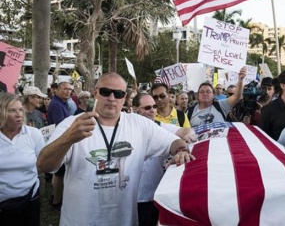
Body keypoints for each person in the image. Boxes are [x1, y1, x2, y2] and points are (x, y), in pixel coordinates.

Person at [37, 72, 195, 226]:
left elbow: (173, 141)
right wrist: (68, 138)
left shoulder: (139, 124)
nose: (112, 98)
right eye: (106, 92)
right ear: (95, 93)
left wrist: (181, 150)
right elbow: (43, 165)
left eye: (118, 94)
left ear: (124, 98)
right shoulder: (72, 124)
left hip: (125, 220)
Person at [132, 93, 196, 226]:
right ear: (134, 109)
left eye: (154, 107)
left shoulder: (160, 127)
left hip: (153, 198)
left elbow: (185, 131)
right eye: (147, 107)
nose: (152, 110)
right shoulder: (125, 128)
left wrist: (184, 143)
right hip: (127, 199)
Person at [0, 93, 45, 226]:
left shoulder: (33, 134)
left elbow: (42, 163)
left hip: (30, 199)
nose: (19, 114)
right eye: (12, 110)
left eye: (20, 109)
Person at [47, 81, 73, 209]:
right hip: (60, 139)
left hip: (60, 138)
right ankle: (56, 201)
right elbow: (61, 125)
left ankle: (54, 196)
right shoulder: (57, 104)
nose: (68, 91)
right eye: (65, 89)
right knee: (59, 173)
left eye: (69, 89)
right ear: (57, 90)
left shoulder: (62, 102)